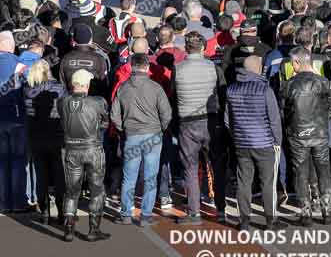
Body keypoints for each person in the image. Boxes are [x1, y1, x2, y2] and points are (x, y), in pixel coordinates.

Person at [111, 54, 172, 226]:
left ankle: (126, 214)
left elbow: (114, 115)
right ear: (147, 68)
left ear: (131, 67)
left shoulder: (123, 88)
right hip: (153, 135)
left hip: (132, 135)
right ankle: (146, 215)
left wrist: (123, 128)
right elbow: (166, 114)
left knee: (129, 176)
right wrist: (161, 128)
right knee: (150, 177)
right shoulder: (156, 88)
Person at [174, 32, 227, 225]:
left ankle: (194, 213)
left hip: (187, 122)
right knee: (218, 168)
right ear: (203, 48)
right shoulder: (214, 67)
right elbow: (223, 95)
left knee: (190, 168)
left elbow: (174, 95)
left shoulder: (178, 68)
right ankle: (221, 210)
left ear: (186, 48)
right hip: (211, 121)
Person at [225, 55, 283, 231]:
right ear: (258, 69)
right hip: (264, 142)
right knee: (268, 182)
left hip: (242, 143)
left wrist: (237, 137)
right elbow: (274, 120)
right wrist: (277, 141)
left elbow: (228, 120)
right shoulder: (265, 90)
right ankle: (270, 220)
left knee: (244, 181)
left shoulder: (232, 89)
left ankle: (244, 220)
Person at [282, 48, 331, 225]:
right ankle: (327, 211)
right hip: (319, 132)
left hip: (298, 133)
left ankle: (306, 213)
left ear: (297, 62)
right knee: (323, 169)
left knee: (300, 172)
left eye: (293, 62)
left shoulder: (289, 85)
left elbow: (283, 110)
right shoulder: (322, 82)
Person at [59, 69, 111, 242]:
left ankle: (68, 229)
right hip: (92, 149)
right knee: (96, 190)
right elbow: (105, 122)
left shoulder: (62, 101)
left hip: (71, 149)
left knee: (72, 191)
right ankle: (93, 230)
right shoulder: (97, 102)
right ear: (87, 85)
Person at [23, 59, 66, 225]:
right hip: (56, 135)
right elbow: (65, 109)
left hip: (36, 136)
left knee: (41, 175)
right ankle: (62, 213)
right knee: (58, 174)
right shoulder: (59, 88)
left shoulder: (27, 89)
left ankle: (45, 213)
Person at [0, 31, 27, 213]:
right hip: (16, 117)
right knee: (17, 161)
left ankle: (3, 202)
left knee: (2, 162)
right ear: (11, 45)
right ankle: (18, 202)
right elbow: (26, 89)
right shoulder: (19, 64)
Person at [60, 24, 110, 99]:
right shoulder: (100, 59)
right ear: (91, 40)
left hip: (71, 102)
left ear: (73, 40)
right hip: (93, 103)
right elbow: (104, 85)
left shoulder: (65, 59)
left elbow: (62, 85)